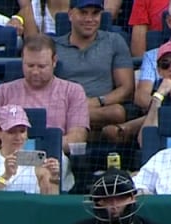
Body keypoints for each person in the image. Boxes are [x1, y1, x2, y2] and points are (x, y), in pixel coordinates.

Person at [0, 34, 90, 155]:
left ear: (54, 61)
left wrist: (33, 148)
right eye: (30, 65)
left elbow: (77, 138)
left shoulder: (73, 91)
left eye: (42, 66)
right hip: (8, 158)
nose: (35, 72)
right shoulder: (4, 91)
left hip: (53, 158)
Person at [53, 0, 135, 136]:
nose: (89, 19)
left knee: (117, 112)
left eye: (95, 13)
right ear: (70, 14)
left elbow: (126, 88)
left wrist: (97, 101)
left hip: (101, 108)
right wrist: (74, 105)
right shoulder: (54, 46)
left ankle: (73, 122)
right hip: (65, 106)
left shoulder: (114, 41)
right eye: (83, 13)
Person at [0, 104, 62, 193]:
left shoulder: (38, 162)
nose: (18, 137)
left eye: (22, 131)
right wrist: (6, 176)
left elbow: (51, 202)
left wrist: (54, 178)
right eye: (11, 132)